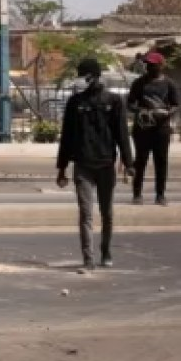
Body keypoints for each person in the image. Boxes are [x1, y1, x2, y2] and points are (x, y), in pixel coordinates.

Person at [57, 58, 134, 271]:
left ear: (93, 76)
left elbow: (122, 135)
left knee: (107, 213)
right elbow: (67, 137)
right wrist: (62, 168)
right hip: (83, 166)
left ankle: (106, 251)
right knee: (85, 213)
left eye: (84, 76)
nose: (81, 80)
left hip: (106, 165)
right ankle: (88, 258)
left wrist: (129, 163)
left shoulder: (114, 101)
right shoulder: (75, 103)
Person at [128, 52, 179, 206]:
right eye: (147, 64)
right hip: (143, 129)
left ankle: (160, 195)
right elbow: (130, 104)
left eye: (152, 64)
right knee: (140, 161)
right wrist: (141, 112)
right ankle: (137, 194)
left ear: (160, 65)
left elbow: (175, 105)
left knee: (161, 162)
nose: (149, 67)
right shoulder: (139, 83)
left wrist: (165, 113)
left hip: (161, 129)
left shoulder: (169, 84)